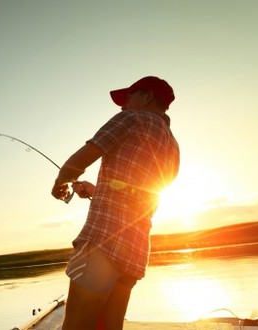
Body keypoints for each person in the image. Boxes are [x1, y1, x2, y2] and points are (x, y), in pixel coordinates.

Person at [51, 76, 180, 329]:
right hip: (135, 249)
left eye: (128, 98)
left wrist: (60, 182)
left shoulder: (131, 118)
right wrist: (98, 191)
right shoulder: (173, 146)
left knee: (76, 326)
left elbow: (80, 160)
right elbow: (143, 195)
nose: (123, 106)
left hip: (103, 242)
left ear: (147, 97)